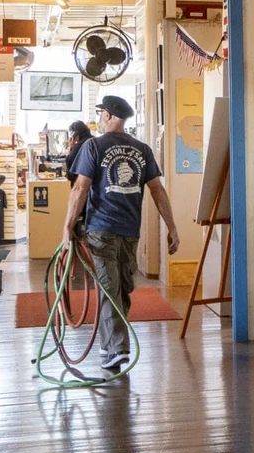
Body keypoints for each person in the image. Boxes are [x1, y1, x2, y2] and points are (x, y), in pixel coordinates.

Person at [62, 95, 179, 379]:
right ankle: (116, 347)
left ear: (111, 117)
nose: (100, 118)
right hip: (109, 229)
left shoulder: (110, 147)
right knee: (110, 287)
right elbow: (156, 190)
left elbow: (80, 189)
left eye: (102, 113)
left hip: (120, 230)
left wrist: (66, 227)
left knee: (121, 289)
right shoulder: (125, 148)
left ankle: (111, 348)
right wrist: (171, 227)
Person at [62, 120, 92, 185]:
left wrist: (71, 147)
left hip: (81, 181)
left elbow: (70, 166)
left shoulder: (79, 145)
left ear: (76, 135)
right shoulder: (94, 141)